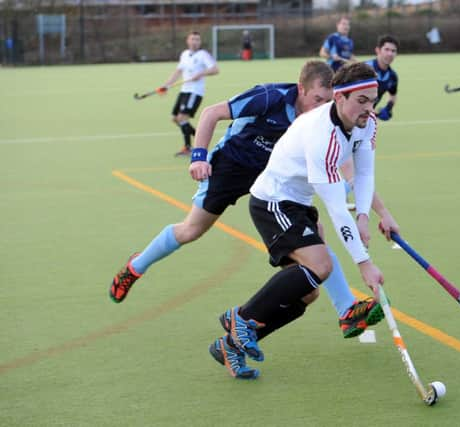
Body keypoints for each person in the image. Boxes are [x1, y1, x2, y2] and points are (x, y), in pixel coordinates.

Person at [110, 62, 387, 367]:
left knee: (314, 236)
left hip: (277, 177)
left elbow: (352, 167)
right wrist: (199, 158)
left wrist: (376, 212)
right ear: (302, 90)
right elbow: (211, 113)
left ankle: (345, 308)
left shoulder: (327, 125)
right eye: (317, 99)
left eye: (326, 100)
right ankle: (135, 267)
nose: (321, 106)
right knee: (191, 230)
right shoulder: (270, 97)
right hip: (233, 166)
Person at [211, 62, 386, 379]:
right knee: (320, 266)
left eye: (373, 100)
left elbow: (364, 172)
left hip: (298, 203)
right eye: (362, 101)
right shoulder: (322, 134)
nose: (369, 108)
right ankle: (241, 318)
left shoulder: (368, 123)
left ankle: (230, 345)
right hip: (272, 200)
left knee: (307, 293)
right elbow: (335, 208)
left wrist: (365, 216)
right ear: (340, 97)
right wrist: (364, 264)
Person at [159, 31, 219, 157]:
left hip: (195, 92)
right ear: (188, 41)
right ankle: (199, 136)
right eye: (193, 39)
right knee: (175, 119)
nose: (195, 42)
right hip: (184, 91)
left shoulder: (203, 55)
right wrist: (166, 85)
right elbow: (178, 71)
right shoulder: (185, 54)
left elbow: (215, 69)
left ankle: (189, 147)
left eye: (197, 39)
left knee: (182, 118)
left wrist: (201, 74)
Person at [365, 35, 399, 122]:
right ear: (378, 50)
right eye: (386, 49)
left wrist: (388, 108)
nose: (390, 54)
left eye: (393, 51)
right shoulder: (364, 69)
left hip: (365, 120)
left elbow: (393, 95)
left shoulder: (392, 76)